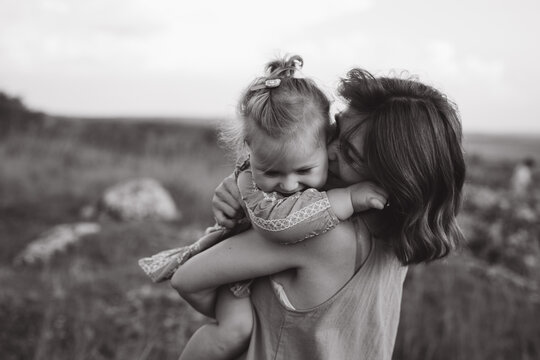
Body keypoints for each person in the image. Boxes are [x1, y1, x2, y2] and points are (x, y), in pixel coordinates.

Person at [171, 66, 466, 360]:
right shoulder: (398, 230)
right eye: (335, 131)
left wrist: (246, 187)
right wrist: (250, 188)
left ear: (393, 178)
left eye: (350, 154)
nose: (327, 150)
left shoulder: (323, 236)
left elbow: (186, 278)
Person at [139, 55, 388, 360]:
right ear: (250, 152)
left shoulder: (305, 169)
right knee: (233, 331)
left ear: (327, 144)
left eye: (304, 170)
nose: (289, 184)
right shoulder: (253, 183)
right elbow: (280, 223)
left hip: (256, 272)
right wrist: (350, 197)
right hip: (236, 279)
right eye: (272, 172)